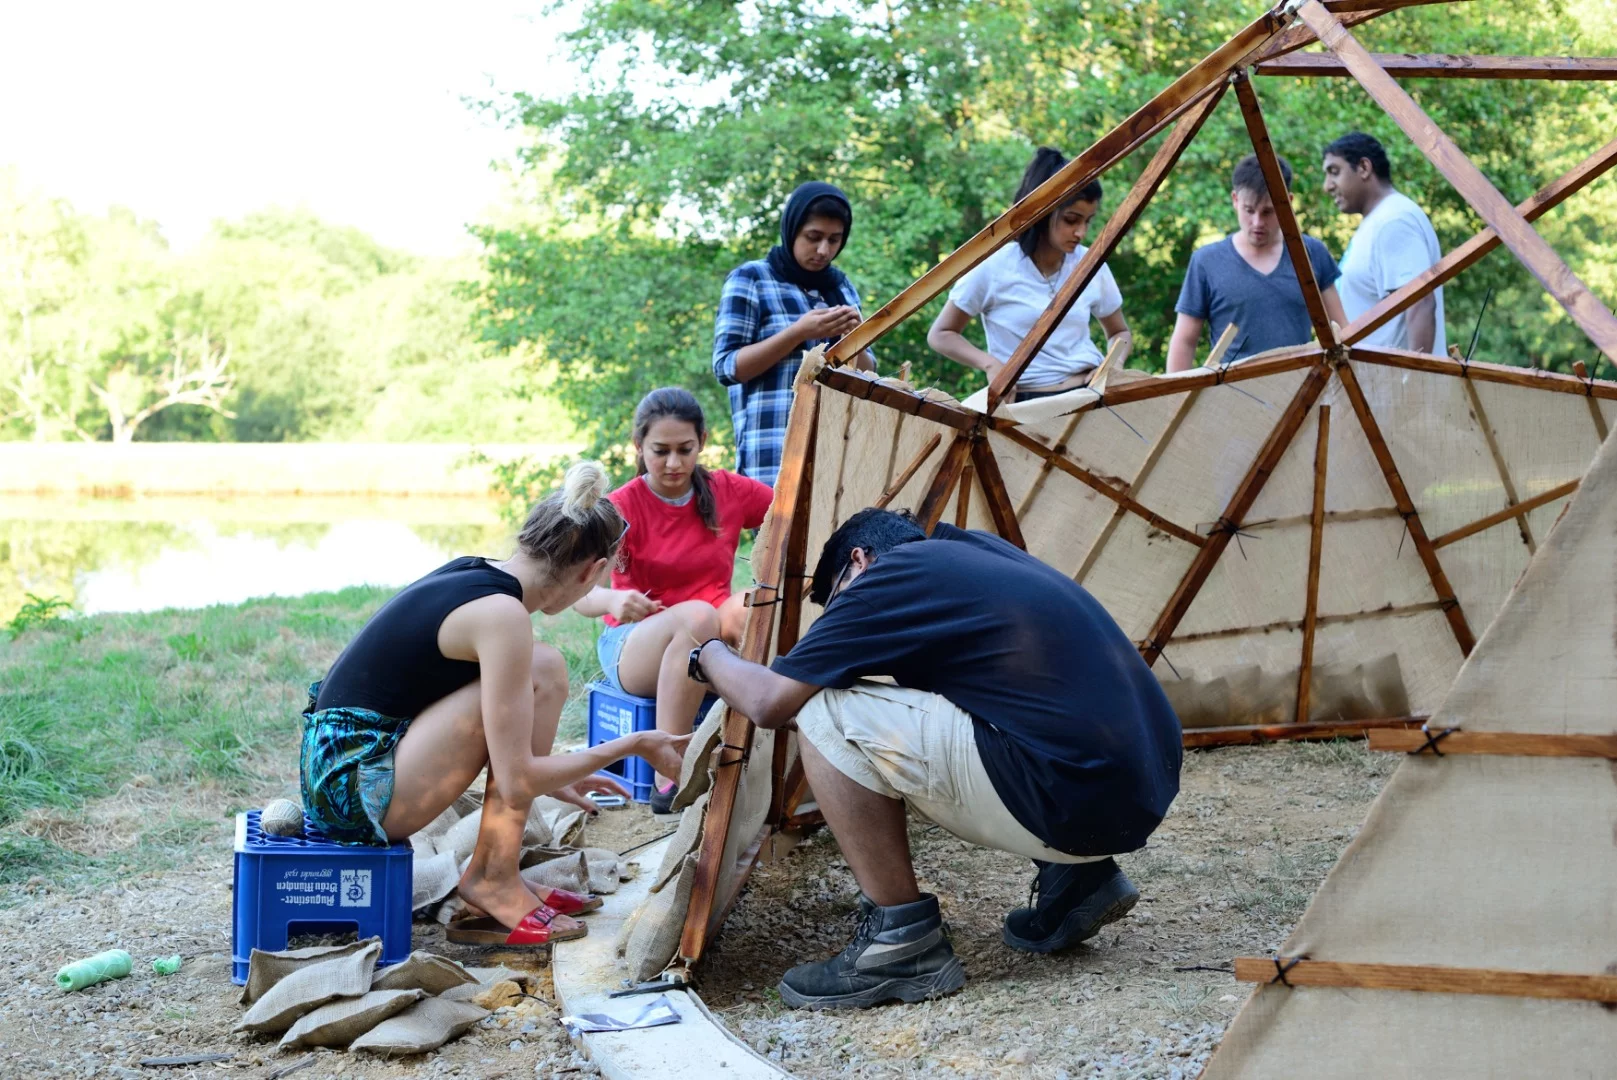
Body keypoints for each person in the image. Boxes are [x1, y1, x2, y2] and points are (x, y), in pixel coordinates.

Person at [686, 508, 1182, 1009]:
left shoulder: (889, 575)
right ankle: (1079, 880)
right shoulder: (976, 554)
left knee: (821, 705)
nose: (838, 620)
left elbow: (771, 702)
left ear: (858, 562)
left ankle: (900, 942)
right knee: (977, 697)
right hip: (1135, 790)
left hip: (1069, 798)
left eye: (835, 602)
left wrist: (707, 655)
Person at [300, 462, 690, 948]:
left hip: (340, 766)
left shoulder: (477, 572)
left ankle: (494, 868)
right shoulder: (504, 615)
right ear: (591, 571)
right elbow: (516, 778)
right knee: (535, 678)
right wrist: (630, 745)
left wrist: (554, 769)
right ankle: (492, 879)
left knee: (543, 668)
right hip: (356, 792)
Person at [573, 388, 773, 813]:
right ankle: (671, 774)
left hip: (708, 636)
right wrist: (612, 598)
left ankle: (768, 745)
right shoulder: (620, 506)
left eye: (685, 450)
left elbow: (794, 512)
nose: (674, 464)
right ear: (638, 447)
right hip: (634, 646)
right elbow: (580, 596)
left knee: (755, 603)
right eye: (660, 451)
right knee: (700, 616)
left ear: (702, 440)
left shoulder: (727, 490)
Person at [928, 147, 1132, 401]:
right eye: (1071, 220)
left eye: (1088, 221)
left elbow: (1120, 333)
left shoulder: (1091, 263)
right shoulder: (993, 266)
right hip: (1024, 405)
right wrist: (990, 365)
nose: (1081, 232)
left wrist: (1112, 365)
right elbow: (941, 334)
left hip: (1089, 396)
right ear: (1044, 211)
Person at [713, 182, 875, 486]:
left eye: (834, 240)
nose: (823, 250)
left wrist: (856, 339)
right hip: (773, 457)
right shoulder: (751, 279)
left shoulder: (840, 287)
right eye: (813, 237)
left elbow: (868, 374)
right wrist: (799, 332)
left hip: (838, 457)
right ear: (791, 230)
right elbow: (726, 367)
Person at [1166, 154, 1348, 371]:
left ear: (1287, 202)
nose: (1257, 222)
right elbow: (1185, 341)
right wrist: (1175, 400)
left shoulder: (1312, 252)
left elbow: (1341, 331)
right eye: (1249, 210)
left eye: (1268, 212)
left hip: (1302, 392)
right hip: (1231, 396)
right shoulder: (1206, 261)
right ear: (1235, 200)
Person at [1322, 131, 1446, 355]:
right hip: (1372, 386)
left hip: (1397, 387)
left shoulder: (1394, 221)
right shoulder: (1377, 221)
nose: (1327, 186)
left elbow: (1420, 302)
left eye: (1334, 172)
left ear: (1364, 168)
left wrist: (1416, 380)